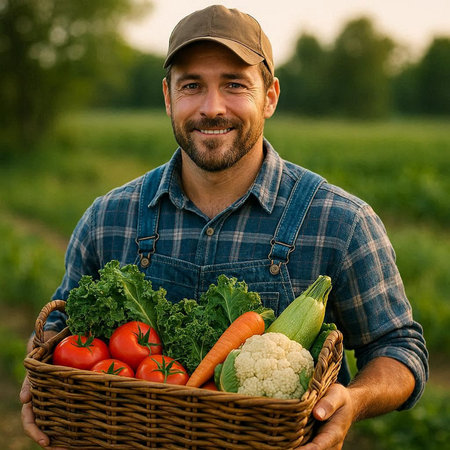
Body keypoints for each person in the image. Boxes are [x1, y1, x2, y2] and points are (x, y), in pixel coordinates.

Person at [20, 5, 428, 449]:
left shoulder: (340, 221)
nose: (212, 108)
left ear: (269, 96)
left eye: (234, 84)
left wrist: (357, 397)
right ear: (168, 97)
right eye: (192, 86)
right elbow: (60, 327)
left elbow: (399, 348)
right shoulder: (107, 218)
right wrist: (38, 378)